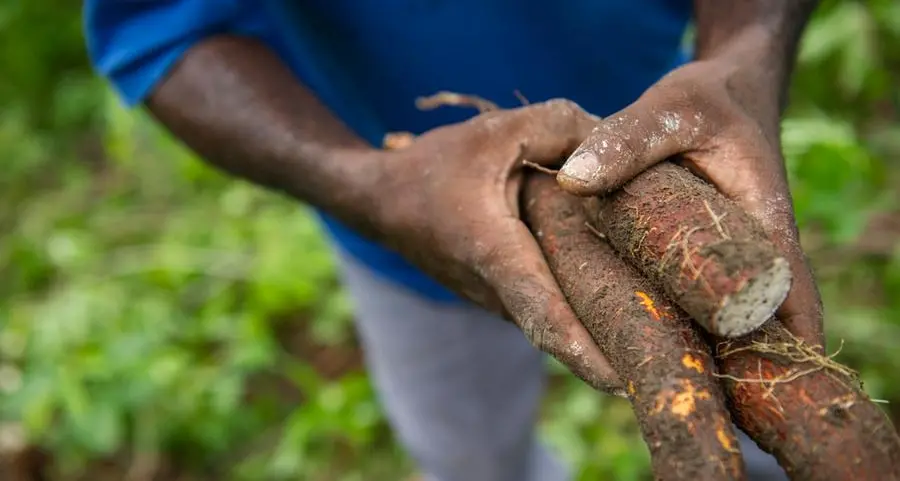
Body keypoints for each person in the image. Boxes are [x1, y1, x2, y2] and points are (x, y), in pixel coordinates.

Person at [83, 1, 824, 480]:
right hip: (406, 212)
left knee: (768, 395)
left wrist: (744, 56)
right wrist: (365, 185)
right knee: (470, 456)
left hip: (670, 161)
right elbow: (161, 27)